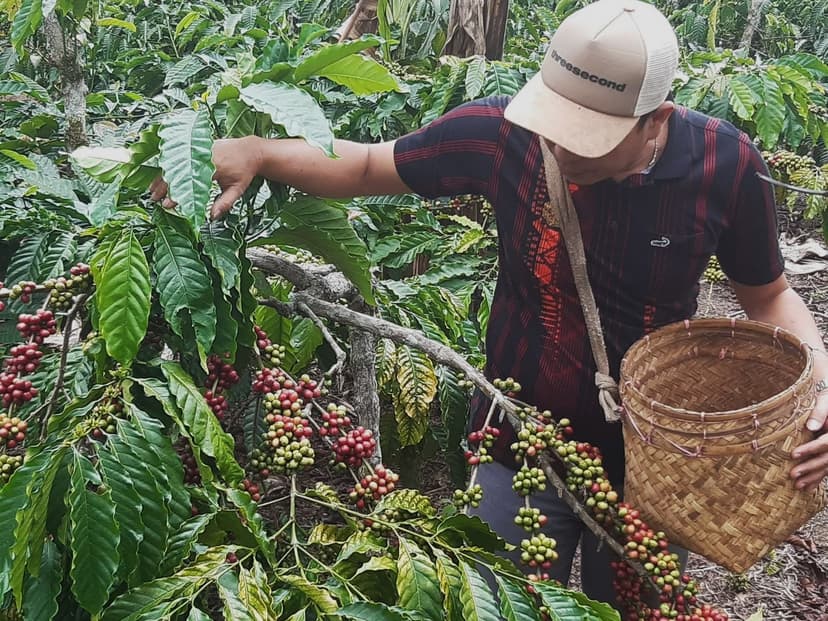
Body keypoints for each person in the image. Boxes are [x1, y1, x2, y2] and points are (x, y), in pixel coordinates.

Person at [151, 0, 828, 609]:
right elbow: (366, 166)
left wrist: (820, 386)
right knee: (500, 601)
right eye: (557, 124)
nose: (561, 146)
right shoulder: (505, 135)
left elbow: (768, 297)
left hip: (653, 465)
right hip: (516, 440)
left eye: (587, 135)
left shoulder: (723, 164)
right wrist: (257, 152)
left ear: (655, 119)